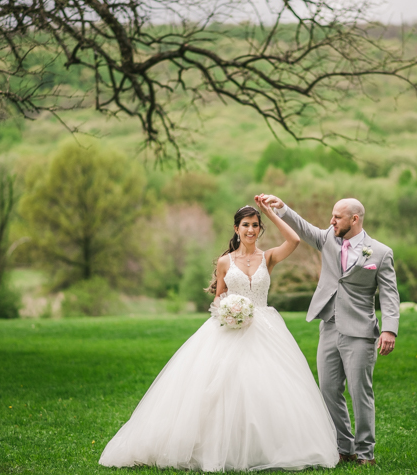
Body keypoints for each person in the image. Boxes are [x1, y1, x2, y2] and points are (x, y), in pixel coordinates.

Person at [99, 203, 339, 471]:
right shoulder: (226, 262)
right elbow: (219, 299)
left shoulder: (268, 257)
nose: (250, 229)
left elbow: (294, 239)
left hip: (265, 328)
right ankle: (214, 446)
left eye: (255, 225)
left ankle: (266, 447)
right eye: (245, 225)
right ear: (236, 229)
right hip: (229, 329)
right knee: (219, 388)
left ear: (260, 230)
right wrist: (227, 313)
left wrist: (272, 213)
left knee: (265, 387)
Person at [256, 194, 400, 466]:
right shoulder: (328, 239)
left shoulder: (380, 253)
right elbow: (304, 228)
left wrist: (389, 330)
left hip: (360, 332)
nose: (331, 220)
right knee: (328, 390)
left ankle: (366, 453)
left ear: (354, 219)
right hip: (329, 327)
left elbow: (390, 296)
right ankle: (343, 447)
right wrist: (282, 207)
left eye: (337, 217)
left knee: (360, 394)